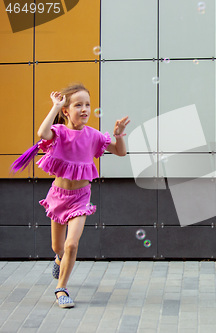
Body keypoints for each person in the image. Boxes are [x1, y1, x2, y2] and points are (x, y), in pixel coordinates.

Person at [11, 83, 130, 308]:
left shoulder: (93, 136)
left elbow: (120, 151)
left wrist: (118, 135)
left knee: (71, 245)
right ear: (66, 110)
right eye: (78, 105)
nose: (84, 109)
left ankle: (61, 288)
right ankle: (58, 259)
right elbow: (41, 133)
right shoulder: (59, 133)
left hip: (81, 198)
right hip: (58, 196)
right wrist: (55, 106)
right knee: (59, 248)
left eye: (88, 104)